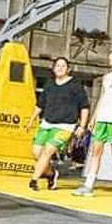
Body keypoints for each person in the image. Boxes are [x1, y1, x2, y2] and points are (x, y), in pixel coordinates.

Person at [73, 50, 112, 199]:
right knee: (96, 153)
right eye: (109, 58)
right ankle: (88, 185)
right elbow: (102, 98)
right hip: (102, 119)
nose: (111, 61)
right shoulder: (106, 77)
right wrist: (93, 118)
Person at [26, 57, 89, 191]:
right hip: (47, 123)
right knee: (36, 152)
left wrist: (82, 126)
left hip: (65, 126)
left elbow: (84, 107)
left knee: (48, 150)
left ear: (68, 69)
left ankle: (34, 180)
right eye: (57, 66)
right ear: (53, 69)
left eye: (63, 66)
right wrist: (31, 119)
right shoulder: (49, 84)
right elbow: (40, 104)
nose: (60, 68)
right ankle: (51, 174)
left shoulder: (75, 85)